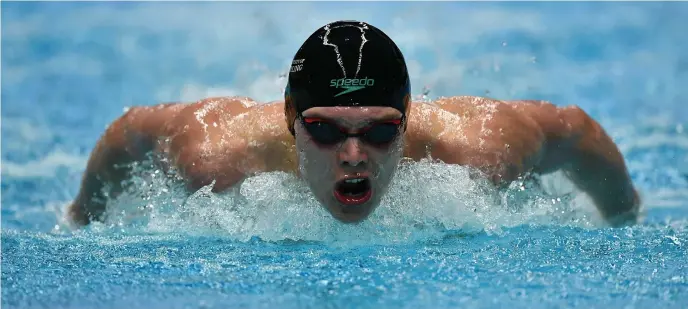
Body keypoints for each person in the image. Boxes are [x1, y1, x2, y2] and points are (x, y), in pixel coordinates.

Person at [66, 20, 640, 228]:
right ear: (291, 118)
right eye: (325, 129)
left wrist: (623, 218)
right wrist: (82, 216)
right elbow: (131, 130)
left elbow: (578, 130)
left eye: (380, 131)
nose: (353, 154)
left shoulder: (477, 151)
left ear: (409, 121)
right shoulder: (214, 154)